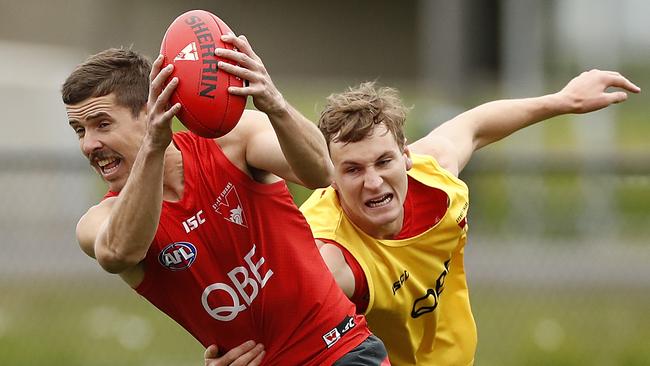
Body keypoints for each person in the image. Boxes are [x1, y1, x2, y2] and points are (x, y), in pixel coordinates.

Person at [207, 69, 640, 365]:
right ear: (330, 180)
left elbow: (475, 124)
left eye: (383, 162)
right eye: (353, 170)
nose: (374, 182)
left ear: (407, 156)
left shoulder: (435, 178)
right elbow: (271, 315)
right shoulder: (331, 258)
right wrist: (232, 353)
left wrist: (561, 100)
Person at [62, 32, 390, 366]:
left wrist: (274, 103)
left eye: (102, 124)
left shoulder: (233, 140)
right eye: (79, 131)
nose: (89, 144)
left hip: (341, 352)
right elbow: (118, 253)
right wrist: (153, 147)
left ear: (151, 112)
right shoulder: (100, 221)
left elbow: (320, 171)